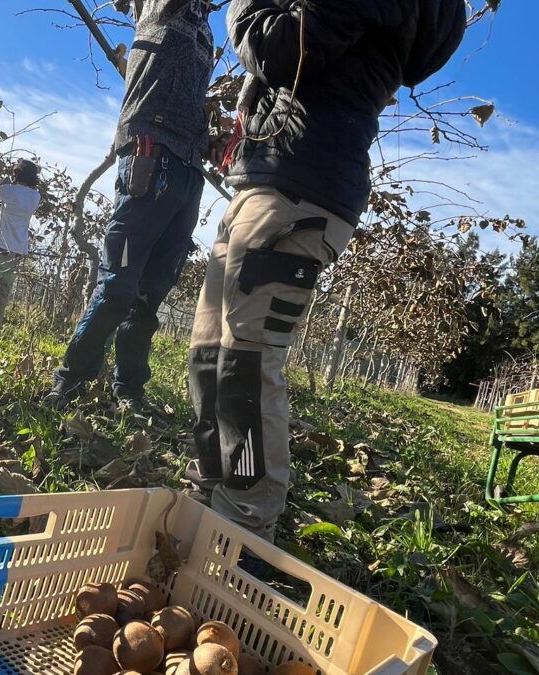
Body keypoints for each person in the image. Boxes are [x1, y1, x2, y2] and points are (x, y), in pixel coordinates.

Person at [187, 0, 468, 542]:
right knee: (209, 350)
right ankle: (214, 482)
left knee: (246, 359)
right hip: (277, 180)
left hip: (297, 188)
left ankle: (244, 520)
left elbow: (278, 50)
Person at [45, 0, 215, 414]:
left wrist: (210, 138)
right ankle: (70, 380)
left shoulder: (207, 31)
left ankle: (129, 390)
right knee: (118, 286)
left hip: (190, 169)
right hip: (149, 156)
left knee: (151, 292)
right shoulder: (161, 8)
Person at [0, 159, 42, 332]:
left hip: (0, 245)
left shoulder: (8, 190)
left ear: (16, 173)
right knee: (4, 290)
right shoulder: (35, 197)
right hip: (18, 249)